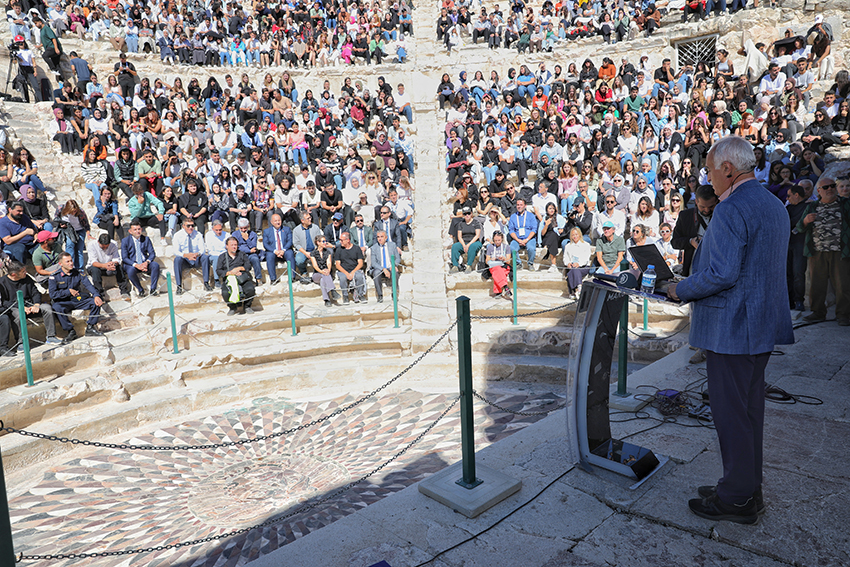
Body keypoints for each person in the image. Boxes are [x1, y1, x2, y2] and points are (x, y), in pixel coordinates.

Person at [668, 136, 794, 524]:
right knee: (749, 411)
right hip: (760, 326)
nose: (707, 177)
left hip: (732, 328)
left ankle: (737, 497)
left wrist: (680, 288)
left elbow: (722, 273)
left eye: (708, 169)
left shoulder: (730, 209)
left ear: (727, 169)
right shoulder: (774, 204)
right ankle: (745, 486)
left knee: (730, 414)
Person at [795, 177, 850, 325]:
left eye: (832, 186)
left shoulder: (845, 204)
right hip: (817, 252)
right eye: (825, 187)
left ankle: (844, 315)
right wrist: (806, 221)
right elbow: (799, 228)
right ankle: (818, 312)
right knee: (816, 285)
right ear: (818, 191)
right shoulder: (812, 206)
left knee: (842, 285)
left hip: (840, 251)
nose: (830, 189)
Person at [0, 260, 61, 348]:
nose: (26, 272)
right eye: (23, 272)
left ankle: (51, 336)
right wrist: (21, 307)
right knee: (17, 314)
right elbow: (4, 302)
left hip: (31, 305)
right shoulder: (2, 282)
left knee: (47, 308)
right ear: (14, 274)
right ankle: (21, 343)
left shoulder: (27, 278)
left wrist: (36, 304)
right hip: (14, 307)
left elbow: (35, 292)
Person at [48, 252, 105, 343]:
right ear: (60, 264)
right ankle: (71, 331)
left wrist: (96, 295)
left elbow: (88, 285)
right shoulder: (55, 276)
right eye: (67, 261)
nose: (71, 263)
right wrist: (68, 291)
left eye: (71, 260)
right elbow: (53, 294)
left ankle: (90, 327)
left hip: (77, 299)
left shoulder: (78, 273)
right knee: (56, 307)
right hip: (64, 302)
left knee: (95, 302)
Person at [671, 185, 718, 276]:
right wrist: (690, 242)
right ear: (696, 202)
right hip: (692, 269)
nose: (707, 210)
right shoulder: (685, 216)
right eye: (703, 207)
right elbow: (675, 242)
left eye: (711, 206)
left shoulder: (723, 215)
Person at [216, 236, 256, 315]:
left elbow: (248, 266)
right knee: (225, 292)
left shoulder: (242, 254)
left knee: (250, 289)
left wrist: (239, 268)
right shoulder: (222, 257)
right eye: (232, 245)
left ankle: (247, 306)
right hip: (229, 278)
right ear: (227, 246)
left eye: (235, 245)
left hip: (242, 277)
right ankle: (232, 307)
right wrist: (230, 273)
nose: (234, 247)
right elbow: (219, 271)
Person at [121, 219, 161, 297]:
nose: (137, 231)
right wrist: (136, 265)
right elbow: (124, 258)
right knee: (130, 271)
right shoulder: (125, 241)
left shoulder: (146, 239)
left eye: (139, 229)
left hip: (144, 262)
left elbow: (152, 253)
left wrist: (146, 262)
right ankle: (140, 289)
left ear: (141, 229)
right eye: (135, 230)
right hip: (132, 264)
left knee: (155, 265)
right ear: (130, 231)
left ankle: (153, 289)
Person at [172, 218, 211, 294]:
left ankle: (206, 282)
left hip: (196, 258)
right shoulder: (177, 235)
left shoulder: (198, 234)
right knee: (177, 260)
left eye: (192, 225)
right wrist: (186, 255)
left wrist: (196, 254)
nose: (190, 228)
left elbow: (202, 250)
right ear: (183, 226)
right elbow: (176, 251)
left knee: (205, 257)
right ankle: (179, 286)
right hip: (185, 259)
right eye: (188, 226)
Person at [87, 233, 131, 299]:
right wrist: (105, 265)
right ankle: (100, 294)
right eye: (103, 247)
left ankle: (124, 291)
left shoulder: (114, 244)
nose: (105, 248)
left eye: (106, 247)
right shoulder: (91, 245)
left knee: (119, 268)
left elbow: (116, 258)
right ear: (98, 242)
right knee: (95, 270)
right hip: (97, 267)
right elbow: (93, 262)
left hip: (109, 267)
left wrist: (113, 264)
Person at [263, 212, 295, 284]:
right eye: (275, 221)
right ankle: (273, 279)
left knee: (290, 253)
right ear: (271, 222)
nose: (278, 222)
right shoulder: (267, 231)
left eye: (279, 220)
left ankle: (292, 277)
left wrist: (283, 250)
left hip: (285, 250)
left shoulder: (287, 229)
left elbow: (290, 241)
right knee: (269, 256)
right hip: (274, 251)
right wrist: (275, 251)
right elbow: (265, 244)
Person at [335, 232, 366, 304]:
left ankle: (360, 294)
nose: (340, 242)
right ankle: (345, 296)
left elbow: (360, 263)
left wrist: (353, 272)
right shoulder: (339, 250)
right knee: (342, 278)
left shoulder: (356, 248)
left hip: (355, 269)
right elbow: (337, 265)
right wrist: (346, 273)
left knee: (359, 276)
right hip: (343, 270)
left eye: (342, 240)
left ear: (348, 240)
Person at [369, 230, 400, 303]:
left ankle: (394, 294)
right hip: (380, 268)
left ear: (386, 237)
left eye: (382, 237)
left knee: (395, 273)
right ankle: (380, 295)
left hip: (390, 267)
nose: (380, 239)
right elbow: (373, 263)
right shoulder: (374, 248)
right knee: (376, 273)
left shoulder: (392, 245)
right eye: (378, 237)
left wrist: (394, 265)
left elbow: (398, 258)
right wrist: (383, 269)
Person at [507, 198, 538, 269]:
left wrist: (526, 240)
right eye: (518, 205)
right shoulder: (513, 216)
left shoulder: (531, 216)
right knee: (512, 248)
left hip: (529, 238)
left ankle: (530, 263)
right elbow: (511, 230)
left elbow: (534, 229)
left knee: (531, 248)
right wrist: (518, 240)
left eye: (521, 205)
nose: (519, 206)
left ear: (525, 206)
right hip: (517, 238)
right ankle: (518, 263)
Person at [292, 211, 322, 282]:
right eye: (308, 218)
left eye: (310, 217)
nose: (310, 219)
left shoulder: (315, 227)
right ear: (302, 221)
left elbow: (319, 240)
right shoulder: (296, 230)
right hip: (303, 250)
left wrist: (316, 249)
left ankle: (317, 273)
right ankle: (304, 272)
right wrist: (305, 253)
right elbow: (296, 244)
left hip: (314, 249)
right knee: (299, 260)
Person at [451, 207, 482, 273]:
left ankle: (469, 265)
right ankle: (455, 266)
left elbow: (477, 235)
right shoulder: (461, 223)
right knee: (455, 246)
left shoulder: (476, 222)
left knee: (472, 247)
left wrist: (468, 244)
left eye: (468, 213)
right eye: (465, 214)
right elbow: (459, 236)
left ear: (471, 213)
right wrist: (464, 245)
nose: (467, 215)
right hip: (464, 241)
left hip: (474, 241)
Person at [310, 235, 337, 307]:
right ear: (318, 242)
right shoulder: (313, 253)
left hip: (325, 274)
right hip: (317, 274)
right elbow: (315, 266)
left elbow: (329, 263)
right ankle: (332, 290)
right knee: (323, 275)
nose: (325, 243)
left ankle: (326, 300)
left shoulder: (327, 252)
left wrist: (328, 270)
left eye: (325, 241)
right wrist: (322, 272)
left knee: (323, 280)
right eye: (323, 241)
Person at [485, 231, 512, 299]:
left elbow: (508, 261)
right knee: (497, 270)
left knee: (498, 272)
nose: (497, 242)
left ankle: (498, 292)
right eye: (495, 240)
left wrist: (504, 258)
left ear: (502, 239)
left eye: (499, 240)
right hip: (494, 266)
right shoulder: (490, 247)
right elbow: (487, 261)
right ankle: (505, 287)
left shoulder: (506, 247)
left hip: (503, 265)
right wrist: (491, 258)